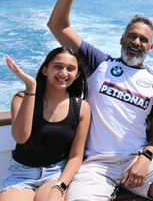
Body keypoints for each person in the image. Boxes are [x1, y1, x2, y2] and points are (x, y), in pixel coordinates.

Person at [47, 0, 153, 201]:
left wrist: (145, 160)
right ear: (121, 39)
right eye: (132, 36)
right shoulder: (98, 63)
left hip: (135, 160)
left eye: (143, 40)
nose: (136, 42)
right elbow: (58, 25)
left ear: (151, 48)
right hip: (95, 163)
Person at [0, 47, 91, 201]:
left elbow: (76, 156)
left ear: (77, 75)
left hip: (56, 174)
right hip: (20, 173)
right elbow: (21, 138)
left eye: (70, 69)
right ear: (45, 70)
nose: (63, 72)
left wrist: (60, 185)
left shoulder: (81, 108)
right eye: (57, 66)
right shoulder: (21, 99)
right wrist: (31, 88)